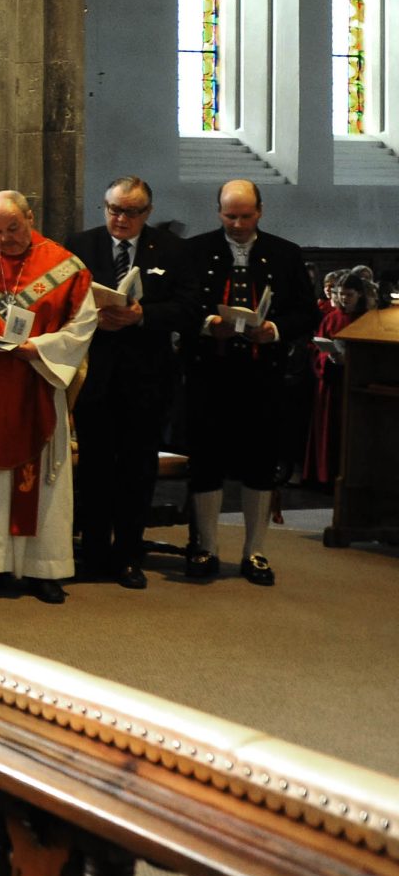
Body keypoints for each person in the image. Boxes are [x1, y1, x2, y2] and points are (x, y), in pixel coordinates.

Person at [0, 191, 97, 603]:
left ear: (30, 218)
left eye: (13, 228)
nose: (5, 239)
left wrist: (42, 348)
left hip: (37, 385)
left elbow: (83, 327)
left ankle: (42, 568)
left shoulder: (66, 268)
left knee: (41, 483)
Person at [176, 180, 317, 585]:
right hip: (208, 373)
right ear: (217, 211)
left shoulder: (285, 253)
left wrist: (272, 328)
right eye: (229, 215)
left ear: (261, 211)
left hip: (263, 376)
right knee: (206, 461)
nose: (237, 224)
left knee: (260, 462)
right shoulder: (194, 251)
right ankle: (206, 548)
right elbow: (182, 307)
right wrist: (207, 325)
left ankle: (254, 552)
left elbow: (306, 314)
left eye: (246, 215)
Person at [69, 175, 190, 590]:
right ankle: (95, 551)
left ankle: (128, 555)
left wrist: (143, 316)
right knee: (96, 469)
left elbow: (188, 308)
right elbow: (61, 303)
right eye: (114, 209)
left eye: (131, 212)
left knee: (137, 470)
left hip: (147, 378)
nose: (121, 219)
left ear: (147, 213)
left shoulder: (173, 250)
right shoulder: (80, 246)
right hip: (95, 375)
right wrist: (93, 316)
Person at [305, 267, 375, 488]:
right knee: (329, 431)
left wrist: (350, 360)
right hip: (331, 383)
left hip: (355, 384)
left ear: (360, 295)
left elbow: (373, 354)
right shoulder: (331, 318)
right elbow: (317, 349)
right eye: (341, 295)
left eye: (349, 295)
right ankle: (325, 477)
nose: (344, 300)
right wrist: (328, 357)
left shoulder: (368, 319)